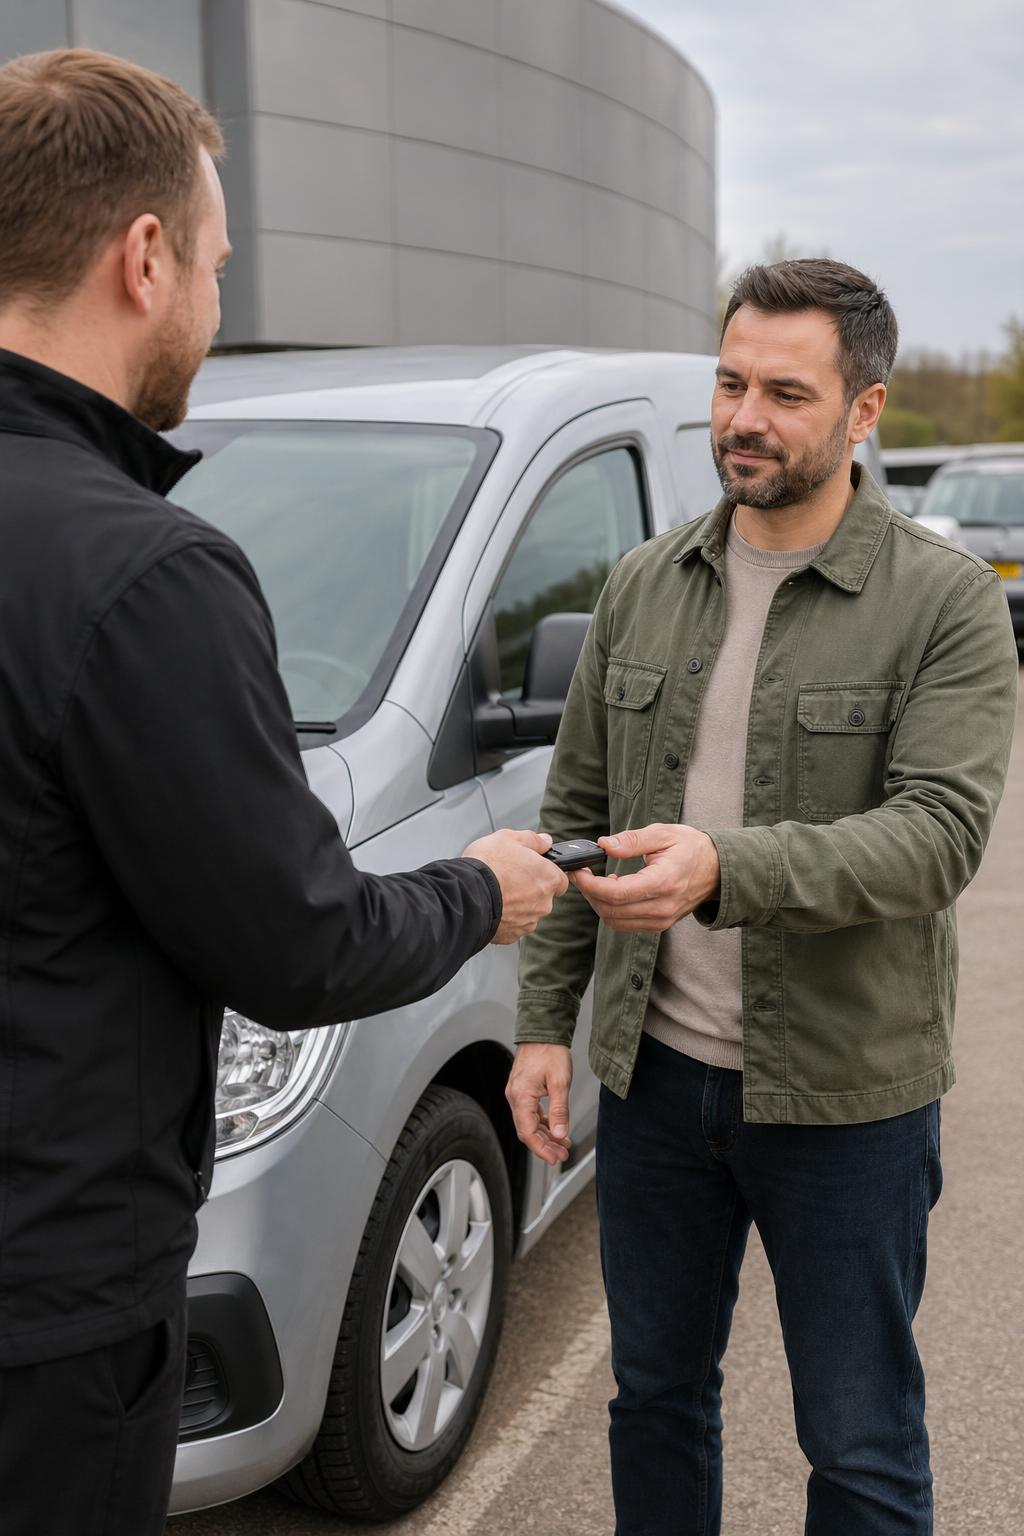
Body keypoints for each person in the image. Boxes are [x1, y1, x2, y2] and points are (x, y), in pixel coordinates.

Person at [0, 48, 568, 1536]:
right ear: (141, 258)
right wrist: (481, 890)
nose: (218, 303)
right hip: (43, 1310)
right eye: (213, 264)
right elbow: (296, 945)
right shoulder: (145, 573)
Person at [506, 258, 1019, 1535]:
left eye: (786, 392)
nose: (745, 416)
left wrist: (728, 868)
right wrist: (539, 1025)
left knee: (858, 1443)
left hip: (846, 1099)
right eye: (731, 382)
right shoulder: (640, 584)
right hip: (655, 1084)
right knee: (654, 1397)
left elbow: (938, 838)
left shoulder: (943, 602)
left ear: (864, 412)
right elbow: (573, 820)